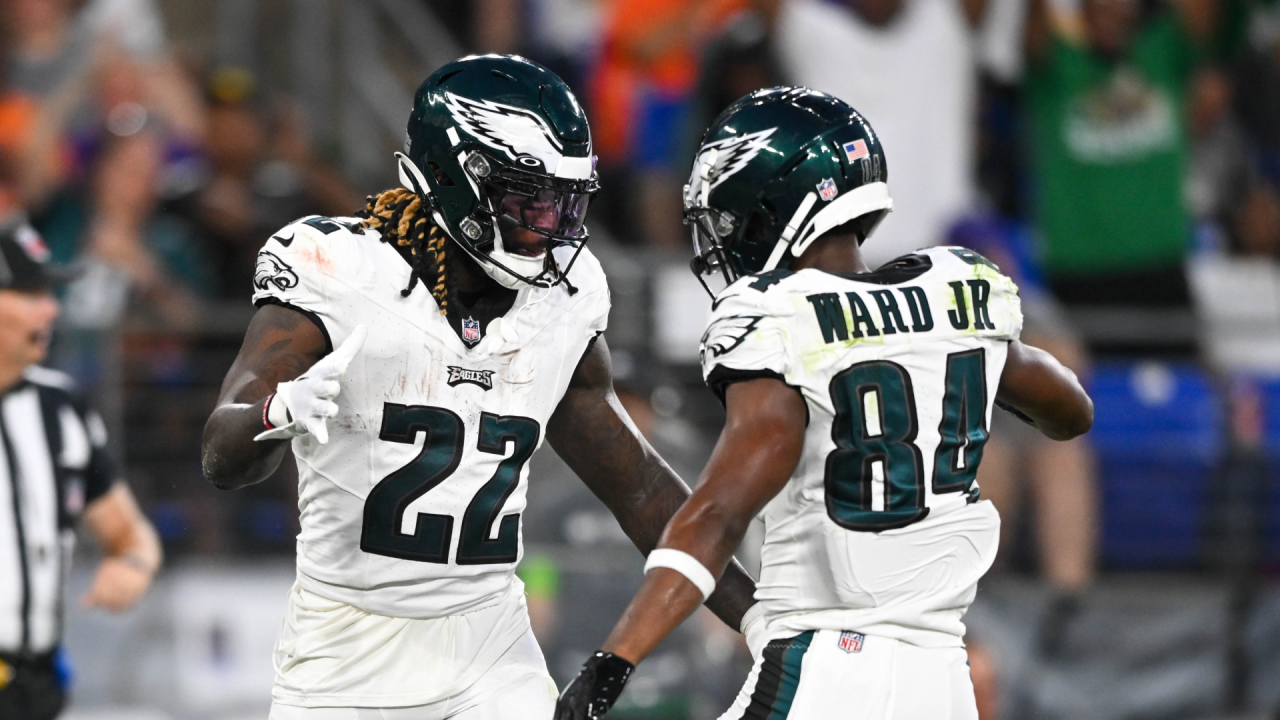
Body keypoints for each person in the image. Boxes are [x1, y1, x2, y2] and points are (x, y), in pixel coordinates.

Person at [200, 54, 758, 719]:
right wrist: (273, 412)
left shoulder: (565, 300)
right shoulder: (339, 269)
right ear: (456, 182)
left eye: (566, 201)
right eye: (531, 200)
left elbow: (639, 488)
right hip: (347, 649)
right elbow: (222, 456)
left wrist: (761, 621)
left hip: (489, 642)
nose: (553, 227)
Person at [554, 87, 1094, 720]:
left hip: (828, 670)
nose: (724, 240)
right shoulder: (960, 292)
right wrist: (976, 352)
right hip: (942, 677)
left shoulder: (777, 318)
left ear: (772, 212)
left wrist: (614, 660)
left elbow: (720, 512)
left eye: (731, 220)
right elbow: (1071, 412)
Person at [0, 210, 162, 719]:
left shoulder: (60, 409)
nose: (51, 311)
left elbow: (130, 533)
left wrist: (131, 566)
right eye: (31, 295)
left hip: (38, 687)